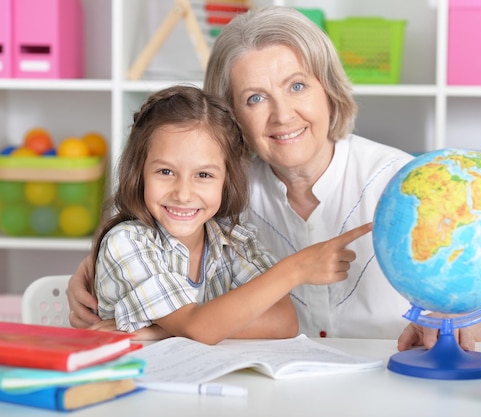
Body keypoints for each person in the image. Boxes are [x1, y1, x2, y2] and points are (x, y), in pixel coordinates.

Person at [68, 6, 481, 350]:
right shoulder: (222, 195)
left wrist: (451, 319)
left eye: (297, 87)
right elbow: (149, 239)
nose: (282, 115)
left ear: (328, 90)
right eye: (255, 98)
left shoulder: (403, 183)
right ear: (230, 119)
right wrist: (87, 272)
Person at [87, 85, 372, 344]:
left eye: (203, 175)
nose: (183, 193)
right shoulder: (127, 242)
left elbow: (284, 322)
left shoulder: (234, 239)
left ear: (227, 180)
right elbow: (198, 327)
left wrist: (167, 329)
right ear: (139, 173)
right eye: (165, 172)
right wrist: (295, 269)